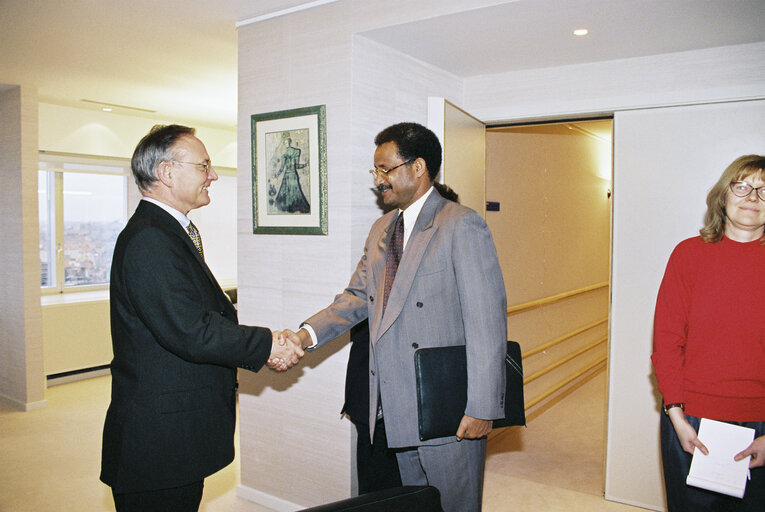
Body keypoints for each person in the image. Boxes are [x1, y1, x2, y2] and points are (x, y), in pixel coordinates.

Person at [283, 122, 507, 512]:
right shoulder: (381, 229)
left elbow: (487, 323)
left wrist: (483, 407)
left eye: (385, 169)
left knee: (453, 505)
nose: (378, 180)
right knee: (414, 505)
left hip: (446, 408)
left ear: (418, 167)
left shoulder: (461, 224)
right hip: (394, 406)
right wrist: (303, 336)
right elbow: (355, 299)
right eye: (376, 172)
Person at [100, 124, 303, 512]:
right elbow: (191, 331)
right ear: (167, 173)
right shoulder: (149, 239)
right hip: (158, 442)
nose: (213, 175)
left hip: (176, 434)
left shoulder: (169, 232)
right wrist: (267, 345)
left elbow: (201, 313)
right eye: (204, 165)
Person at [651, 154, 765, 511]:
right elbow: (667, 341)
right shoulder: (688, 255)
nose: (752, 197)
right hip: (690, 420)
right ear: (723, 195)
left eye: (764, 190)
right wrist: (676, 415)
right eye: (742, 186)